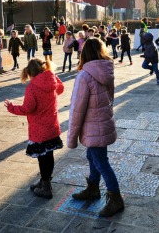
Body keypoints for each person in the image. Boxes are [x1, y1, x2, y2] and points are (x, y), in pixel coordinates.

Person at [67, 38, 125, 217]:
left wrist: (71, 137)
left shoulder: (85, 75)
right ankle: (93, 188)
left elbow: (77, 108)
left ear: (84, 53)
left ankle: (115, 198)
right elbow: (111, 97)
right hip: (102, 121)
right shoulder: (107, 69)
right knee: (93, 156)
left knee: (100, 161)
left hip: (93, 125)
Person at [4, 58, 64, 199]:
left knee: (42, 158)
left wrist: (12, 107)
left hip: (39, 129)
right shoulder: (52, 78)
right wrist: (52, 75)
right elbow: (60, 89)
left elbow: (28, 108)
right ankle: (44, 181)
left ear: (30, 73)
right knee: (49, 155)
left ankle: (46, 187)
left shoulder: (32, 87)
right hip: (52, 125)